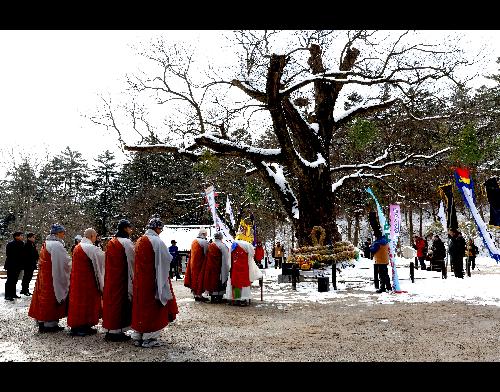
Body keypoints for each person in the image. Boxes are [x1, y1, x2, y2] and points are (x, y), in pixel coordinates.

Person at [131, 217, 178, 348]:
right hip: (153, 281)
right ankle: (149, 338)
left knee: (141, 307)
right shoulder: (157, 241)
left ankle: (138, 335)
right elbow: (166, 259)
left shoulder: (140, 240)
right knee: (153, 309)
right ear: (157, 228)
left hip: (140, 281)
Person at [28, 224, 71, 333]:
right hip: (52, 277)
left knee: (43, 298)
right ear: (57, 233)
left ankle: (42, 321)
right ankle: (50, 324)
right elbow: (65, 262)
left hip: (45, 276)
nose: (63, 234)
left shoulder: (46, 243)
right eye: (62, 232)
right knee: (51, 298)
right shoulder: (56, 245)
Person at [67, 228, 105, 337]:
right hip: (88, 281)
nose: (96, 238)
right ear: (92, 236)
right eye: (95, 236)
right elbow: (103, 258)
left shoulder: (78, 247)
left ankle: (77, 325)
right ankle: (83, 326)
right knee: (87, 303)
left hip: (77, 280)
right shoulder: (90, 248)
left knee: (77, 303)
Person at [102, 219, 135, 342]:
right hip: (122, 278)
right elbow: (132, 260)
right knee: (120, 303)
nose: (131, 230)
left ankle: (110, 329)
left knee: (111, 302)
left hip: (111, 277)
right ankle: (117, 331)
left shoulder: (111, 242)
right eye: (129, 228)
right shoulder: (126, 242)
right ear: (125, 229)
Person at [226, 233, 263, 306]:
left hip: (235, 267)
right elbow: (252, 254)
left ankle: (237, 298)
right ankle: (243, 299)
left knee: (236, 283)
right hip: (244, 267)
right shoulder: (247, 244)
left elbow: (229, 256)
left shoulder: (233, 244)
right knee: (244, 284)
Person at [202, 231, 230, 303]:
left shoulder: (210, 245)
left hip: (210, 267)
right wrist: (226, 268)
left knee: (211, 281)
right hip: (218, 268)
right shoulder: (223, 246)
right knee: (218, 282)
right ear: (221, 237)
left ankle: (212, 296)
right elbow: (226, 258)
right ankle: (219, 297)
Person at [184, 228, 209, 302]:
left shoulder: (194, 241)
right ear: (203, 234)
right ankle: (199, 295)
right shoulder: (204, 242)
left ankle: (195, 294)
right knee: (200, 279)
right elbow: (206, 253)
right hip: (200, 263)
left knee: (194, 278)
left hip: (193, 263)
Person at [4, 231, 25, 301]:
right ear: (16, 236)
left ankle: (13, 293)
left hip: (18, 265)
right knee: (10, 280)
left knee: (15, 280)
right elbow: (9, 255)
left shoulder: (22, 244)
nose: (22, 237)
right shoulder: (10, 244)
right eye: (21, 235)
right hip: (11, 265)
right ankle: (7, 295)